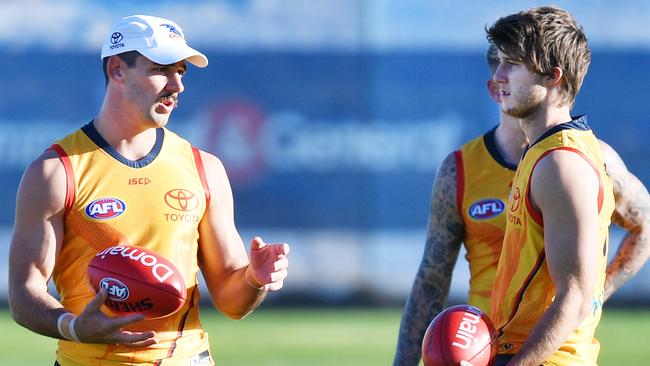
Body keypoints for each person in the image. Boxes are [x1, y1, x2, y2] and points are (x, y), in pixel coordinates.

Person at [8, 15, 289, 366]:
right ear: (117, 70)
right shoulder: (56, 171)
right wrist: (75, 327)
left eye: (182, 72)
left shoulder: (204, 168)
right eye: (161, 69)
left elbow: (231, 302)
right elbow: (24, 293)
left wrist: (254, 279)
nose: (177, 85)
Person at [393, 40, 650, 366]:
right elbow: (431, 283)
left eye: (515, 67)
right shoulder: (460, 171)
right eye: (502, 70)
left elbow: (645, 224)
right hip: (483, 353)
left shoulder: (590, 160)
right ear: (493, 87)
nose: (506, 79)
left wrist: (595, 293)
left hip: (561, 355)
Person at [488, 6, 612, 365]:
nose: (498, 76)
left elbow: (575, 296)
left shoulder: (561, 162)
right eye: (499, 62)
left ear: (553, 76)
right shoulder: (546, 150)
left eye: (512, 64)